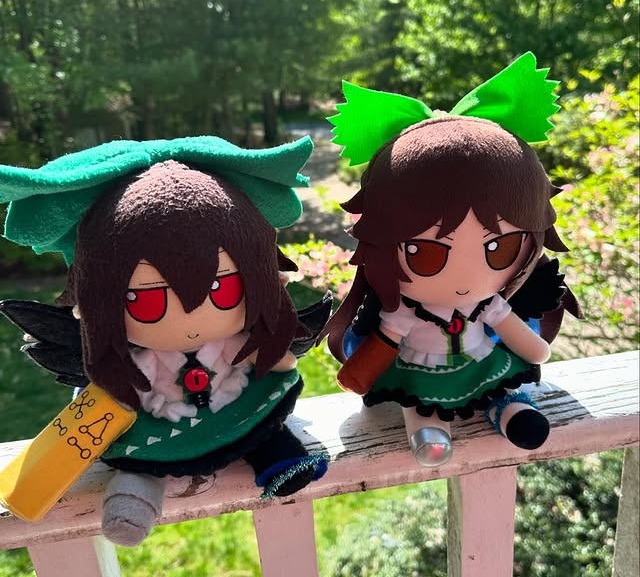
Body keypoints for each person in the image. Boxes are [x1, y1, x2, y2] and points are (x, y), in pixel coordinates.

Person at [0, 136, 328, 545]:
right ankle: (135, 495)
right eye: (148, 301)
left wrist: (274, 355)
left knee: (264, 430)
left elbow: (277, 361)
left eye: (223, 289)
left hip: (236, 403)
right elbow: (115, 391)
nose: (191, 318)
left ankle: (276, 459)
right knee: (141, 464)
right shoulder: (141, 358)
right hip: (159, 423)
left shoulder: (234, 342)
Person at [322, 52, 581, 467]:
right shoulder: (404, 312)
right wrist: (359, 372)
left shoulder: (489, 304)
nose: (465, 277)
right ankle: (426, 427)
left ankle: (510, 409)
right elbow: (379, 350)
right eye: (425, 254)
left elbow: (531, 349)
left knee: (502, 387)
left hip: (482, 363)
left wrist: (535, 349)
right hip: (421, 372)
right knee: (422, 403)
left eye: (500, 248)